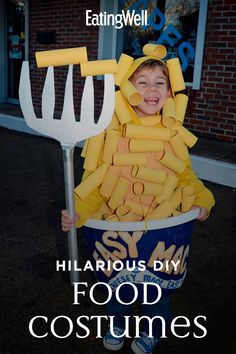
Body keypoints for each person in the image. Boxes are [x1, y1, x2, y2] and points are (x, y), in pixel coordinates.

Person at [61, 56, 215, 353]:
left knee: (157, 291)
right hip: (118, 229)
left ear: (170, 92)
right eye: (141, 82)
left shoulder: (173, 135)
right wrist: (78, 211)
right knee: (118, 287)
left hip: (162, 230)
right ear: (126, 90)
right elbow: (95, 183)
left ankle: (152, 327)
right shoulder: (109, 134)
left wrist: (202, 202)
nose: (151, 89)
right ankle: (117, 321)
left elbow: (186, 177)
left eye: (160, 82)